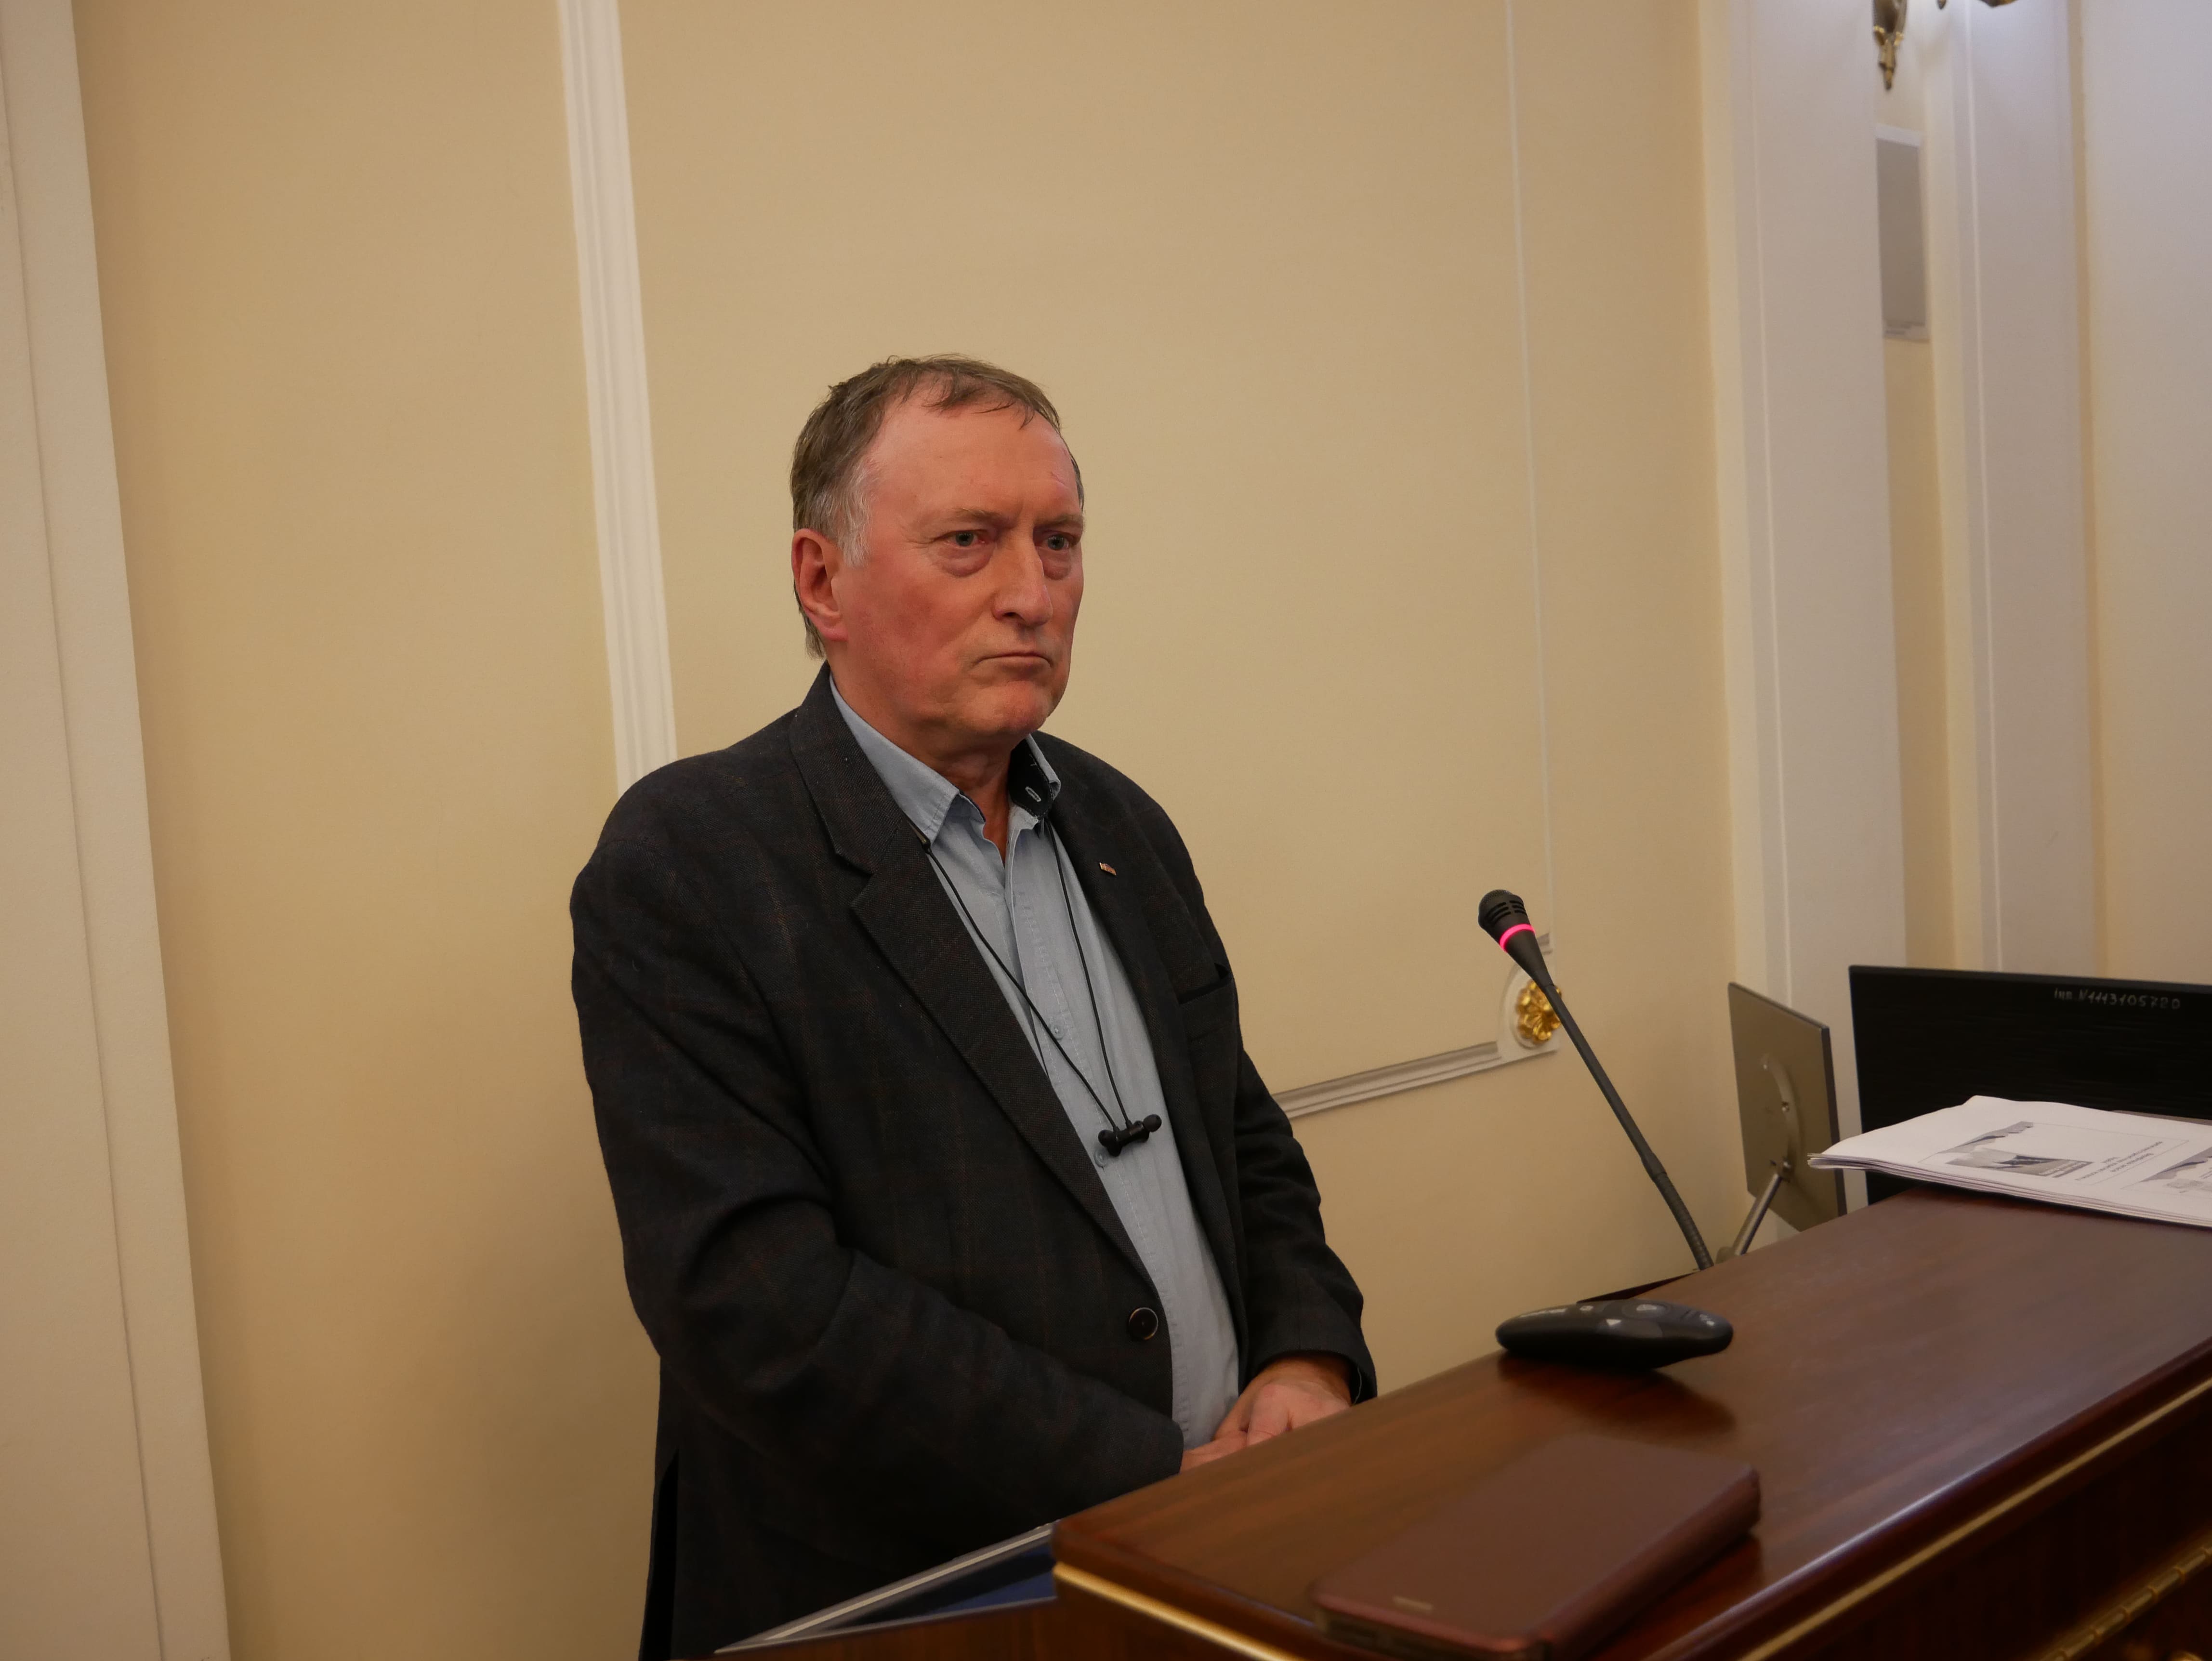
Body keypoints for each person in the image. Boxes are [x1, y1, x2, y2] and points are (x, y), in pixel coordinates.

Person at [571, 356, 1373, 1658]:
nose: (1031, 593)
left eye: (1059, 542)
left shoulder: (1122, 823)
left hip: (1219, 1553)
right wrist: (1146, 1473)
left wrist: (1306, 1360)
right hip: (927, 1600)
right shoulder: (693, 861)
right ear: (822, 581)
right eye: (968, 542)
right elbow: (760, 1306)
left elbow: (1243, 1143)